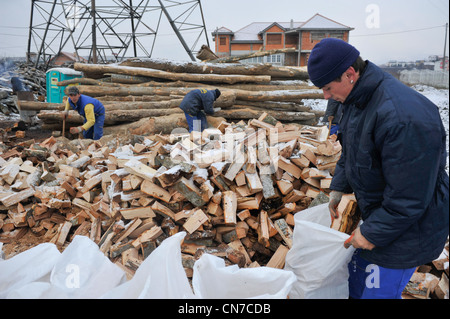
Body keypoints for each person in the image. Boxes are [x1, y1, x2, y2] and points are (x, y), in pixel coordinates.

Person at [307, 38, 449, 299]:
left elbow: (410, 196)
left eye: (327, 88)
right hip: (384, 220)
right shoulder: (357, 100)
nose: (325, 96)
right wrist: (339, 187)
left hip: (407, 233)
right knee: (358, 289)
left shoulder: (403, 117)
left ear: (350, 73)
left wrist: (372, 232)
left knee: (375, 295)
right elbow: (352, 151)